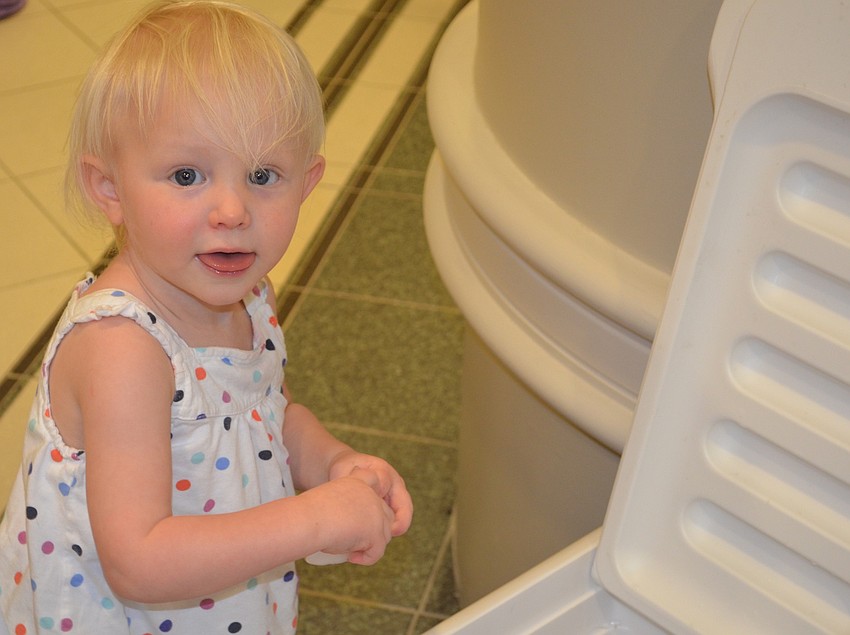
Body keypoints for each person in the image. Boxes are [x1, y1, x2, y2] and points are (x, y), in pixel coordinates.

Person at [0, 1, 413, 633]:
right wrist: (315, 520)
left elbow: (266, 413)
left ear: (307, 181)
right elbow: (138, 562)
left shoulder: (249, 297)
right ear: (110, 188)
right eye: (187, 174)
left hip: (228, 601)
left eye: (262, 174)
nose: (231, 209)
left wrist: (331, 464)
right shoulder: (122, 349)